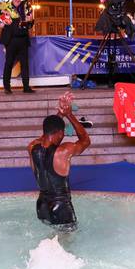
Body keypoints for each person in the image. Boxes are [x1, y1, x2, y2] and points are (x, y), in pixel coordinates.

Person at [27, 92, 91, 231]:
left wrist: (60, 114)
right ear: (61, 133)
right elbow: (85, 141)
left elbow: (48, 132)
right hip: (60, 207)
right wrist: (69, 114)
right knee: (67, 245)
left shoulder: (32, 147)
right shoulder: (63, 151)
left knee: (49, 240)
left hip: (42, 205)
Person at [0, 0, 34, 94]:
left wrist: (30, 21)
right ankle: (7, 87)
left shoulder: (26, 7)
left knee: (25, 64)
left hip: (23, 39)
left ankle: (26, 87)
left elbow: (31, 23)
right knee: (9, 63)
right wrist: (1, 14)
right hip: (10, 40)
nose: (18, 0)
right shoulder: (5, 6)